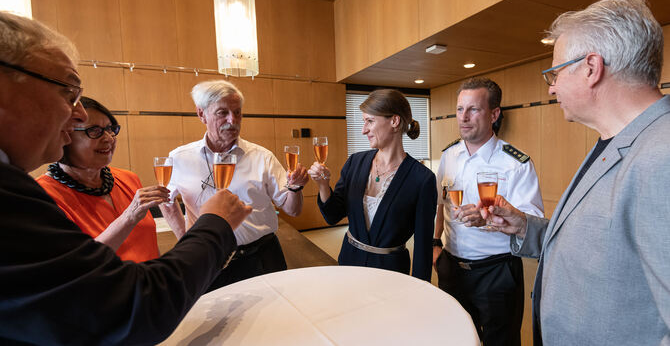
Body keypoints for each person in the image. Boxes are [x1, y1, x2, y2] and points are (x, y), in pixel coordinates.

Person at [0, 12, 251, 345]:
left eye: (110, 129)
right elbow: (124, 304)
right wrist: (215, 223)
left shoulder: (125, 178)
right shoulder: (30, 195)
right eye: (69, 91)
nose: (78, 112)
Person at [481, 0, 670, 346]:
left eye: (554, 72)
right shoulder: (615, 140)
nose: (551, 86)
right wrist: (524, 226)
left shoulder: (662, 157)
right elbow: (601, 246)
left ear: (591, 68)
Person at [161, 80, 309, 289]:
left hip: (261, 256)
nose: (233, 120)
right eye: (222, 113)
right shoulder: (180, 158)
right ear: (201, 114)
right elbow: (165, 200)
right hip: (208, 260)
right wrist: (185, 240)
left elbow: (293, 210)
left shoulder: (262, 157)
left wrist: (296, 188)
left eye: (238, 112)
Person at [432, 77, 543, 345]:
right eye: (460, 109)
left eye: (474, 109)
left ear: (494, 114)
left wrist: (489, 220)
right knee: (457, 337)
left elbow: (531, 221)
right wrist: (435, 244)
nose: (464, 118)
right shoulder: (449, 156)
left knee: (501, 341)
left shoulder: (515, 163)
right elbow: (440, 204)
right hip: (452, 267)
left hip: (497, 271)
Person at [308, 89, 436, 281]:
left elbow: (423, 247)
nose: (363, 130)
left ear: (394, 121)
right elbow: (332, 216)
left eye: (370, 121)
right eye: (363, 121)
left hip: (391, 274)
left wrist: (421, 288)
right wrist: (323, 185)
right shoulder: (355, 162)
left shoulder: (422, 179)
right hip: (348, 264)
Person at [36, 96, 175, 262]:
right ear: (65, 136)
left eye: (110, 129)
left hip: (145, 283)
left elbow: (148, 244)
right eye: (95, 131)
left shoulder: (128, 179)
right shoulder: (43, 195)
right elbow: (76, 263)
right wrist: (129, 217)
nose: (109, 138)